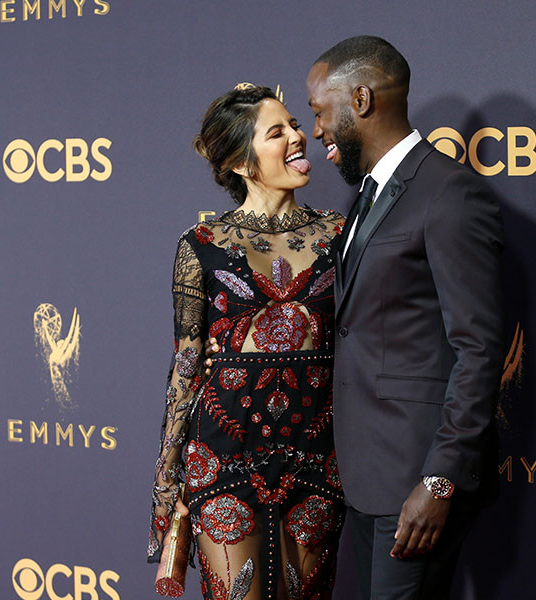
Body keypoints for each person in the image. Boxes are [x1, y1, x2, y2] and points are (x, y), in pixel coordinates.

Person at [306, 36, 505, 599]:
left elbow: (480, 349)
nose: (316, 129)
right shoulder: (370, 195)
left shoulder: (449, 193)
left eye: (321, 111)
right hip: (366, 478)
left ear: (361, 100)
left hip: (419, 481)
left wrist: (439, 480)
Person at [148, 84, 346, 600]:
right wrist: (168, 483)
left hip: (317, 450)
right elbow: (186, 364)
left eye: (296, 125)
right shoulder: (201, 245)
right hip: (222, 452)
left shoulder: (339, 236)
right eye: (276, 132)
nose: (298, 137)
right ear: (240, 161)